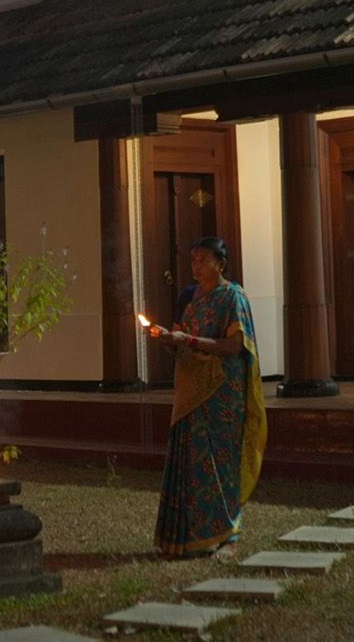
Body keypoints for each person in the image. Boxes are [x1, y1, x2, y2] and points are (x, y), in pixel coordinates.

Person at [144, 236, 267, 558]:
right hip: (189, 388)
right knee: (188, 461)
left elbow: (234, 347)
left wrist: (190, 339)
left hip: (223, 391)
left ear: (221, 264)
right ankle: (183, 537)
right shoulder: (188, 295)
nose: (196, 266)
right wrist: (166, 338)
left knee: (220, 463)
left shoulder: (233, 297)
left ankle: (229, 536)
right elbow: (178, 339)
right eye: (193, 260)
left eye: (203, 260)